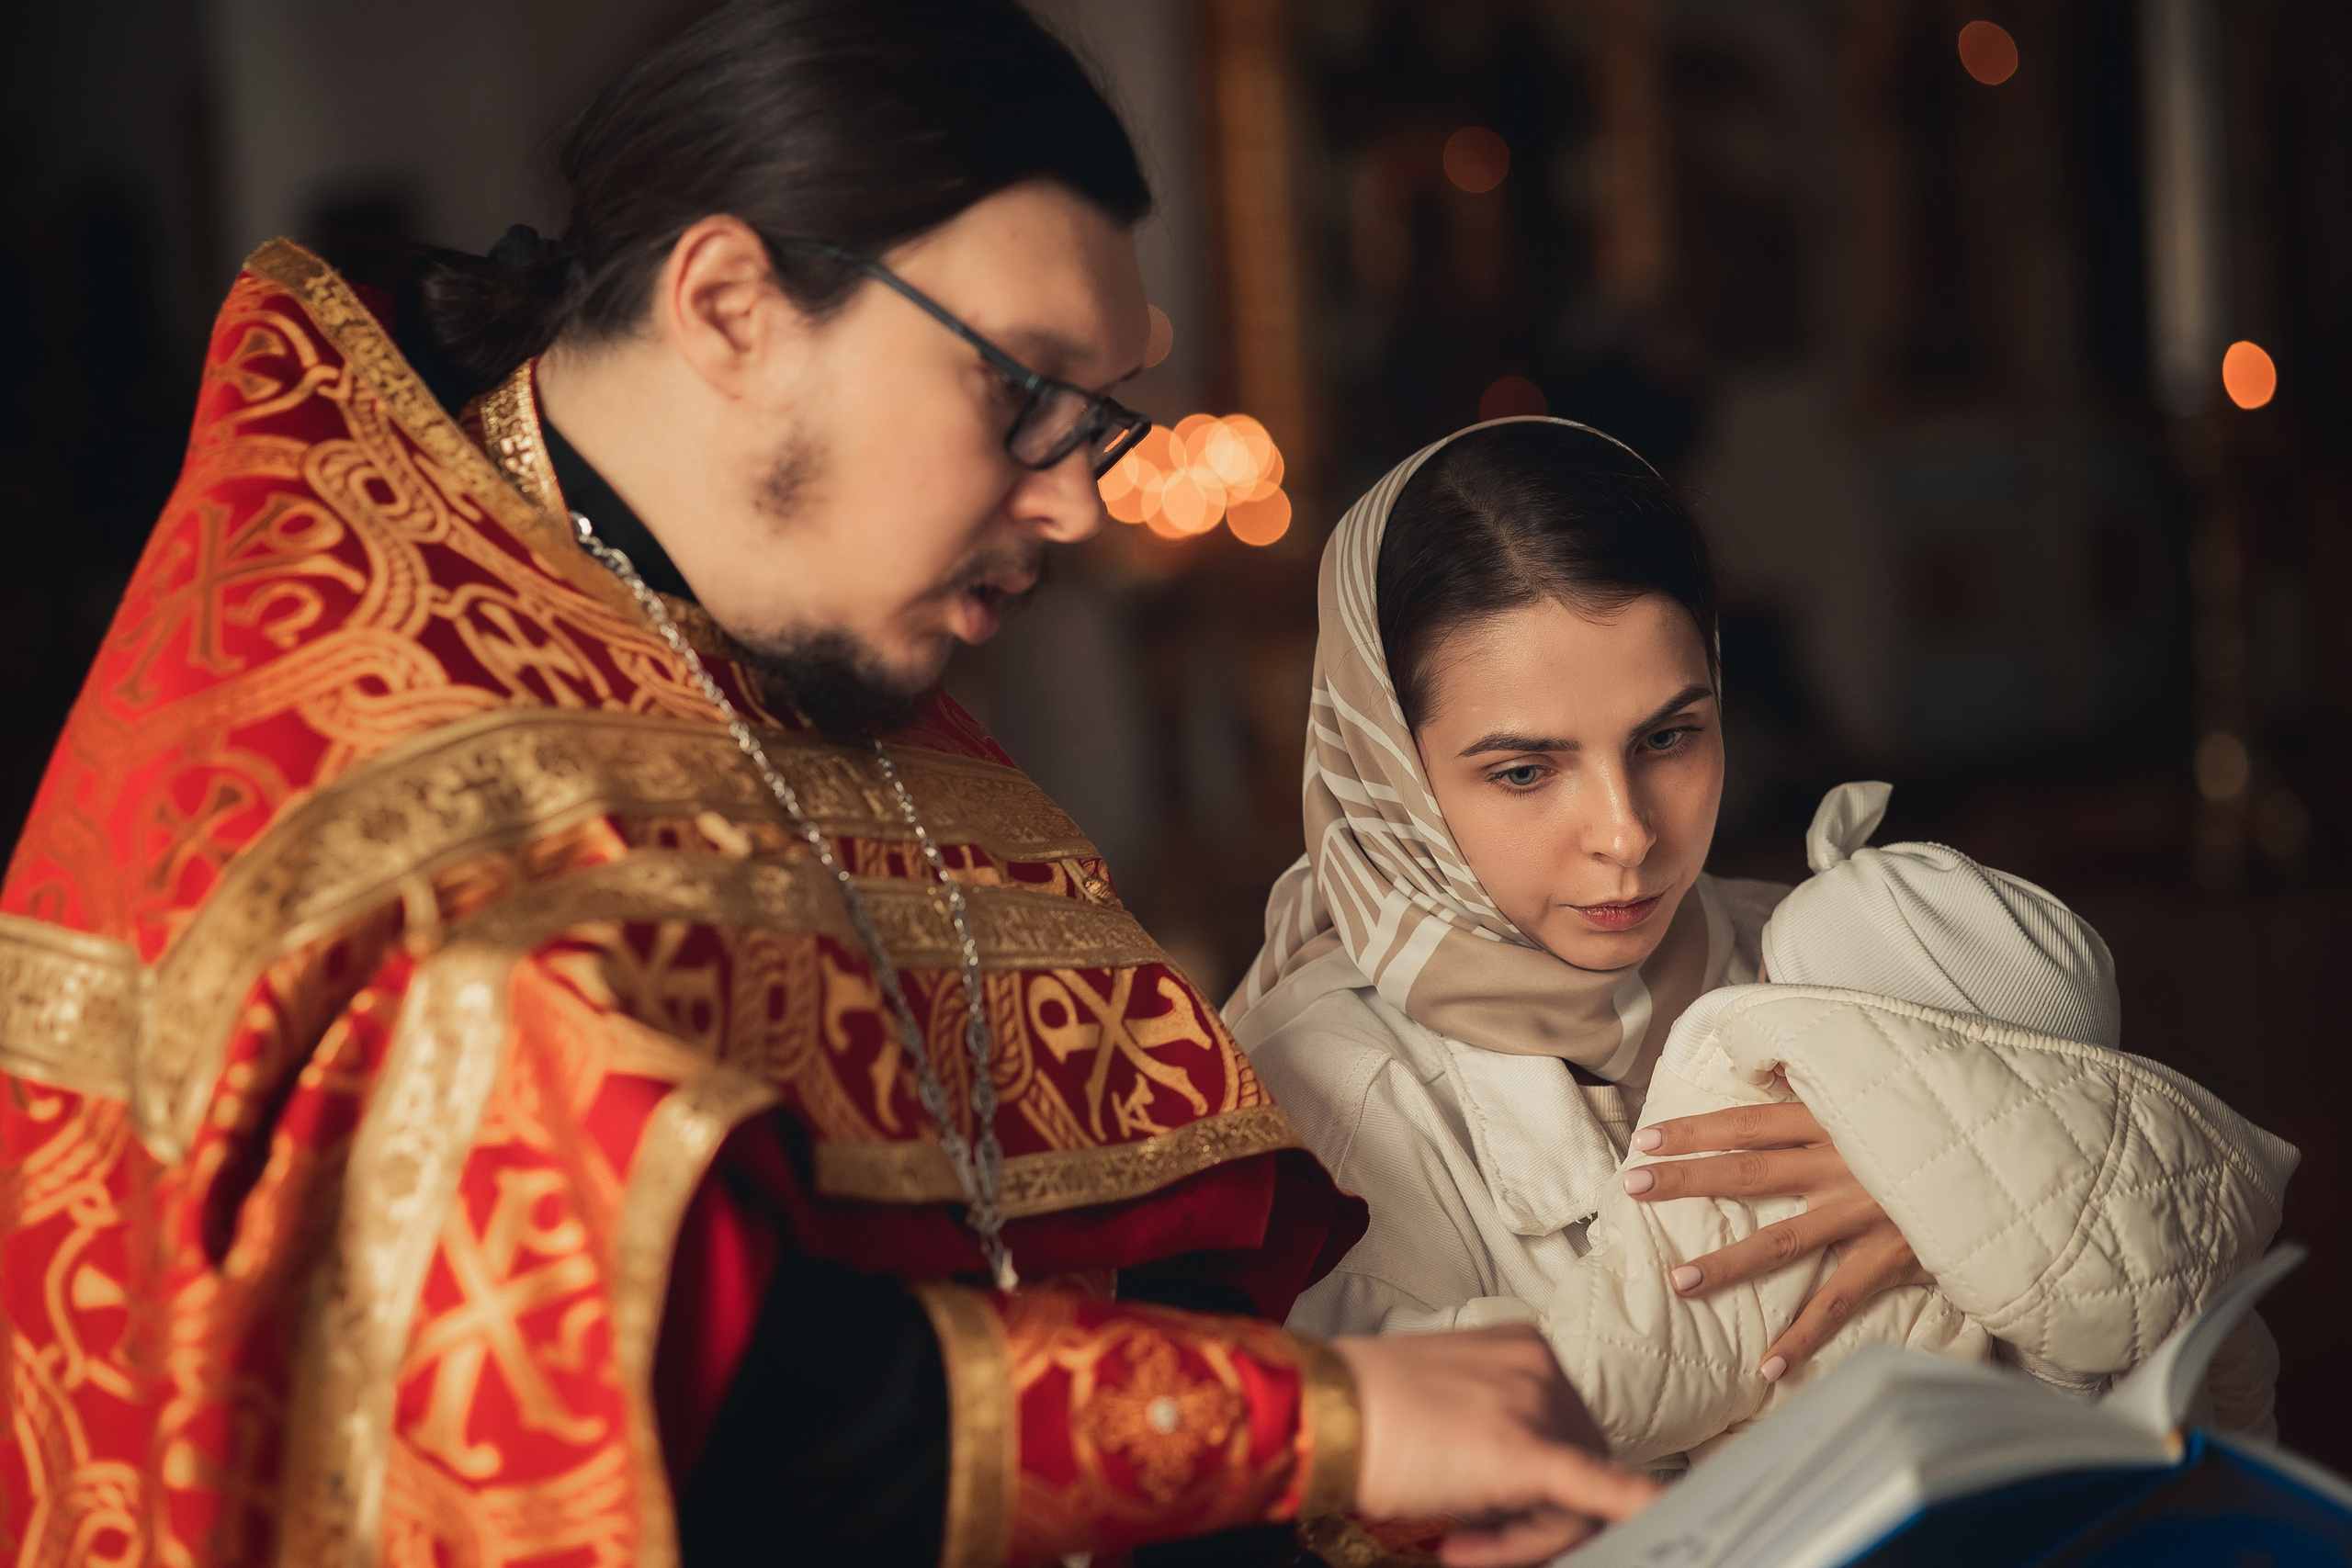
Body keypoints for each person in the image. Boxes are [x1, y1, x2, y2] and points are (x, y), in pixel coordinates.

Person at [0, 8, 1654, 1566]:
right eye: (1025, 395)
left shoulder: (801, 667)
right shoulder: (355, 696)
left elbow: (1071, 1269)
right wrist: (1326, 1426)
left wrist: (1369, 1508)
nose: (1079, 502)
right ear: (730, 306)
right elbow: (622, 1392)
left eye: (1105, 414)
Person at [1227, 418, 2295, 1481]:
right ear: (1384, 765)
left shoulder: (1819, 946)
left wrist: (1963, 1190)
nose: (1627, 834)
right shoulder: (1313, 1092)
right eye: (1523, 772)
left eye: (1668, 738)